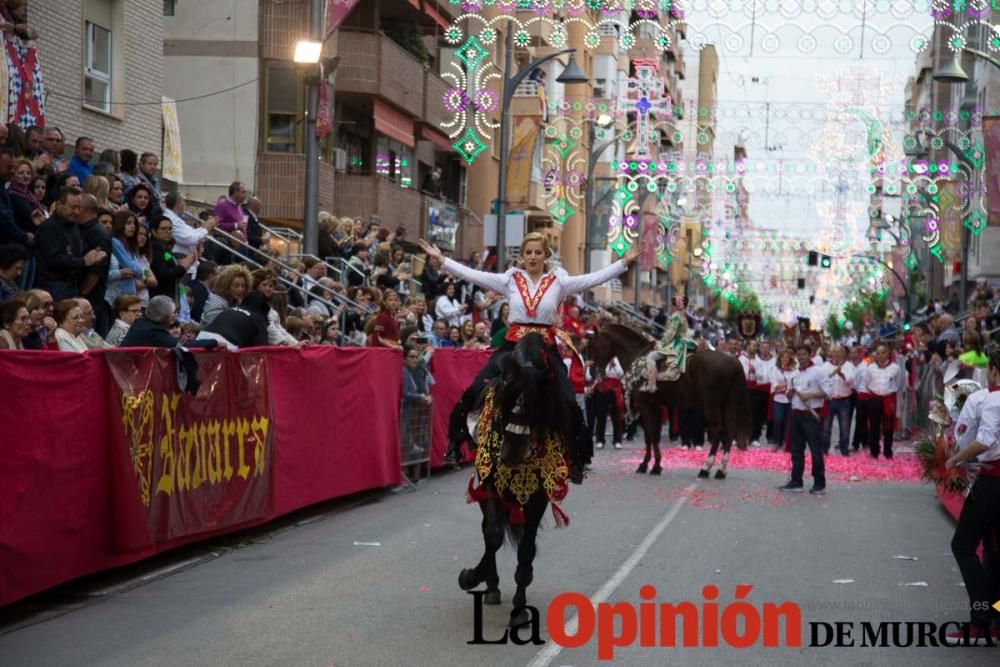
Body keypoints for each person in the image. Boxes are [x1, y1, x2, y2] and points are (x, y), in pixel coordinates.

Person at [418, 233, 643, 471]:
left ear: (545, 256)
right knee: (475, 388)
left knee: (568, 399)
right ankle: (457, 441)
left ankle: (577, 459)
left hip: (544, 345)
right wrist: (442, 260)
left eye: (538, 252)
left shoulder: (559, 281)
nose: (533, 257)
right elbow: (474, 275)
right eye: (528, 253)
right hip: (512, 344)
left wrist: (623, 263)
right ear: (522, 256)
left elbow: (593, 279)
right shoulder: (510, 280)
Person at [945, 350, 1000, 643]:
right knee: (993, 550)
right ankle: (996, 617)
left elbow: (985, 440)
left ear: (993, 369)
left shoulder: (992, 400)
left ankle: (981, 620)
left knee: (963, 546)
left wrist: (955, 460)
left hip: (993, 482)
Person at [778, 345, 832, 495]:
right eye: (799, 354)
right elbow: (789, 397)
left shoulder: (819, 372)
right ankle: (796, 481)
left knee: (815, 450)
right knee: (796, 450)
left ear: (810, 355)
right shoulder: (794, 374)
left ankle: (819, 483)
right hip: (796, 415)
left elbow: (828, 392)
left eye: (804, 354)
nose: (801, 357)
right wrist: (790, 393)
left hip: (811, 415)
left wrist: (810, 395)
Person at [642, 294, 694, 390]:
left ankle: (651, 385)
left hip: (676, 345)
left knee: (650, 357)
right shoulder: (683, 315)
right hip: (683, 342)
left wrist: (660, 343)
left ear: (675, 306)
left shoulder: (676, 316)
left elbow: (671, 334)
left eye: (672, 305)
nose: (671, 307)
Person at [196, 291, 270, 351]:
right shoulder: (257, 318)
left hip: (201, 338)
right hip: (224, 344)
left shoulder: (231, 309)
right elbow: (262, 349)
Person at [866, 342, 903, 459]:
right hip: (875, 398)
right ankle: (874, 451)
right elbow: (867, 383)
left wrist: (889, 391)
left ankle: (888, 451)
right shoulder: (871, 367)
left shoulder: (895, 368)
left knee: (888, 426)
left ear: (888, 354)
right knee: (874, 426)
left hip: (889, 398)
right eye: (878, 353)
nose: (881, 355)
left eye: (883, 353)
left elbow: (898, 383)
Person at [820, 344, 855, 456]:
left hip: (844, 400)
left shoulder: (849, 365)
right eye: (834, 351)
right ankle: (824, 449)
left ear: (844, 353)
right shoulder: (825, 365)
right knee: (826, 427)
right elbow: (821, 381)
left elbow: (851, 381)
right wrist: (831, 375)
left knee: (844, 427)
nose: (836, 354)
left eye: (839, 351)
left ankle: (844, 449)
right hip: (829, 400)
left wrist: (841, 374)